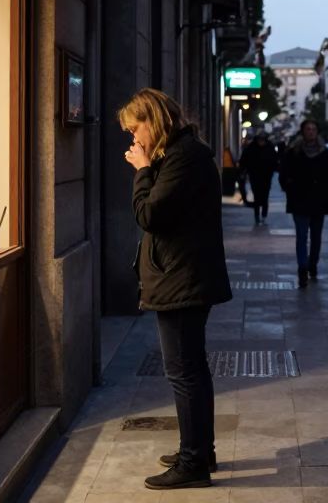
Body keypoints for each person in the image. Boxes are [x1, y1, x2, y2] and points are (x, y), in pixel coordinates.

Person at [119, 89, 233, 491]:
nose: (134, 140)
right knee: (192, 369)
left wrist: (142, 169)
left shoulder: (183, 157)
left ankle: (194, 462)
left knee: (183, 371)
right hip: (182, 275)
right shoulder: (184, 154)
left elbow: (149, 214)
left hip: (182, 279)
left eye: (136, 129)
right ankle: (200, 449)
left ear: (153, 120)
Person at [278, 119, 328, 289]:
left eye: (313, 129)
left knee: (316, 237)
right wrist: (291, 189)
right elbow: (284, 174)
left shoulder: (325, 153)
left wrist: (327, 195)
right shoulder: (294, 152)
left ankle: (313, 264)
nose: (311, 132)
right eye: (308, 129)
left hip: (319, 202)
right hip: (300, 201)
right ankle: (302, 269)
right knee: (302, 237)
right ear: (302, 131)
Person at [238, 130, 278, 225]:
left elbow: (274, 160)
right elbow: (244, 160)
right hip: (254, 175)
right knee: (257, 195)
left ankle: (263, 216)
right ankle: (257, 216)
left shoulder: (268, 148)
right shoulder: (252, 148)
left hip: (266, 175)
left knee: (264, 196)